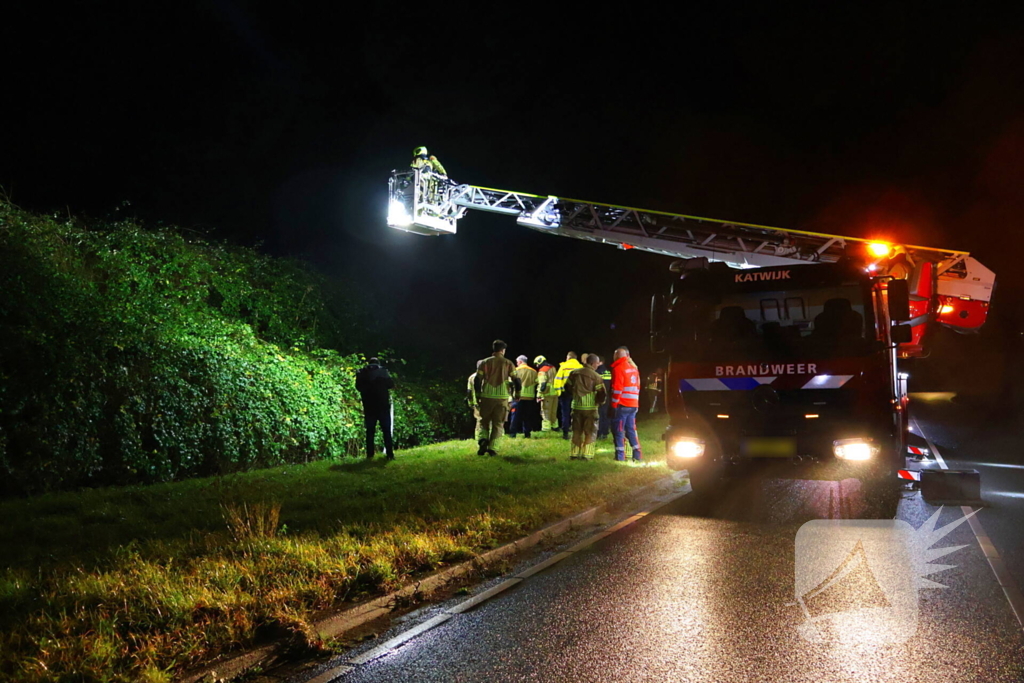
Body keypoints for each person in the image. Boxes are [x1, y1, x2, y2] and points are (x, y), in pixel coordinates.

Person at [473, 340, 520, 456]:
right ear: (503, 350)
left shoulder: (484, 362)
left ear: (493, 349)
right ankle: (493, 448)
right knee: (498, 423)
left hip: (486, 396)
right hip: (502, 397)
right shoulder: (508, 363)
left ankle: (483, 439)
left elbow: (477, 380)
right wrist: (517, 395)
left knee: (483, 422)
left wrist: (478, 395)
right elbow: (517, 381)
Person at [566, 354, 607, 460]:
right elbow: (601, 393)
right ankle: (587, 455)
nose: (597, 366)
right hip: (590, 408)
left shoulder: (573, 373)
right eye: (597, 364)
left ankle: (574, 454)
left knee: (576, 431)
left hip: (576, 407)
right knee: (590, 431)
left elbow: (567, 387)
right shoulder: (596, 376)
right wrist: (599, 402)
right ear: (593, 363)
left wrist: (575, 396)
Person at [355, 357, 396, 460]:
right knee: (386, 430)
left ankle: (370, 454)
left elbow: (358, 387)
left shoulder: (362, 372)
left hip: (369, 406)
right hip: (383, 405)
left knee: (370, 431)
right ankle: (390, 454)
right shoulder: (383, 371)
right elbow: (391, 385)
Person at [610, 346, 643, 462]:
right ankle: (637, 455)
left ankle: (620, 457)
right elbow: (638, 386)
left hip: (622, 405)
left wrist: (613, 404)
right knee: (631, 430)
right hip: (633, 404)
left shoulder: (619, 368)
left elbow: (617, 389)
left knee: (619, 431)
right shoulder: (634, 368)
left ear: (617, 356)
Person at [553, 352, 584, 440]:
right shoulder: (580, 367)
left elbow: (557, 380)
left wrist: (558, 393)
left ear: (568, 357)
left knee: (565, 413)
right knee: (577, 413)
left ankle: (565, 433)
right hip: (577, 393)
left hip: (565, 393)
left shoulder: (564, 366)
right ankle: (577, 433)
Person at [509, 355, 539, 438]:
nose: (517, 364)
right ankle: (527, 434)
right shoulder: (533, 371)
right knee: (527, 416)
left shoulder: (515, 370)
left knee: (515, 416)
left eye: (517, 362)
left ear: (520, 361)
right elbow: (537, 382)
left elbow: (511, 382)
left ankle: (512, 434)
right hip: (530, 397)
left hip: (518, 397)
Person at [535, 355, 559, 431]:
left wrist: (539, 395)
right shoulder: (553, 368)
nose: (537, 366)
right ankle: (555, 427)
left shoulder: (542, 370)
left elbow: (542, 384)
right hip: (555, 393)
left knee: (545, 411)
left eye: (537, 364)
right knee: (553, 411)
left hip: (547, 393)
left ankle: (546, 428)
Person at [466, 359, 485, 444]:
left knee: (479, 421)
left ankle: (478, 438)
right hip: (489, 401)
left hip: (477, 403)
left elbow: (469, 392)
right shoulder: (489, 376)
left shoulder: (471, 377)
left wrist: (470, 403)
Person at [596, 355, 613, 439]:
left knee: (599, 415)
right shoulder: (608, 372)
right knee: (605, 414)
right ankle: (605, 432)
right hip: (607, 396)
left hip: (599, 396)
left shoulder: (597, 372)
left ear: (600, 362)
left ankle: (599, 433)